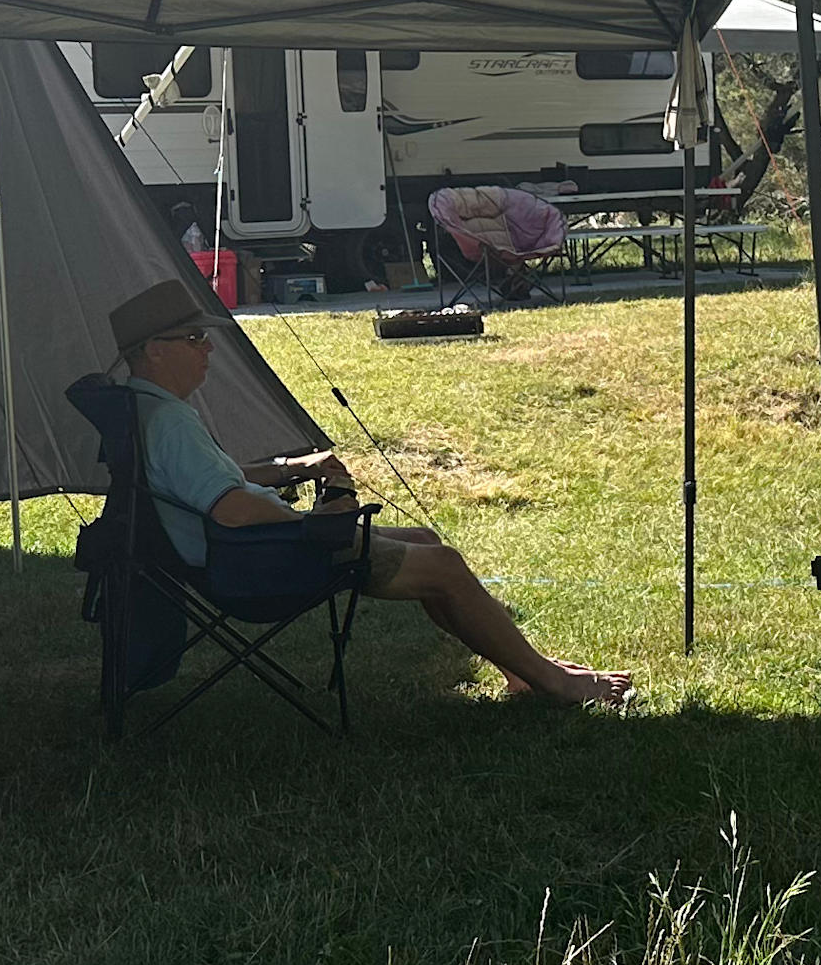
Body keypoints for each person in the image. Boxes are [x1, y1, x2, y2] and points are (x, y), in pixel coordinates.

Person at [107, 282, 631, 709]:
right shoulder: (171, 422)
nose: (209, 348)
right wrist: (320, 518)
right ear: (154, 348)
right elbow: (232, 508)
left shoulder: (145, 411)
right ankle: (554, 683)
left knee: (424, 539)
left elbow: (213, 481)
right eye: (195, 337)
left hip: (244, 550)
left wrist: (292, 467)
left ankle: (523, 671)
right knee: (444, 565)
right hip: (257, 561)